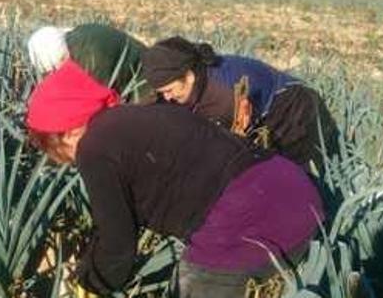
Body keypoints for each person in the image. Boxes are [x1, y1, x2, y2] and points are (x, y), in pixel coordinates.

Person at [25, 59, 324, 297]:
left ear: (65, 132)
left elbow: (118, 245)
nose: (60, 160)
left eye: (52, 149)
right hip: (297, 194)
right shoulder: (141, 115)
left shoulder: (94, 147)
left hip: (249, 218)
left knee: (195, 283)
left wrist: (89, 287)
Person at [141, 36, 339, 174]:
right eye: (162, 92)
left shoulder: (223, 99)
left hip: (297, 114)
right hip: (268, 109)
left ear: (189, 76)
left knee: (306, 181)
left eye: (169, 90)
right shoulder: (192, 77)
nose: (167, 97)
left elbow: (230, 151)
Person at [27, 23, 153, 103]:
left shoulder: (90, 59)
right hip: (134, 70)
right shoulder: (75, 36)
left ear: (62, 57)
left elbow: (101, 101)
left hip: (147, 80)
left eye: (55, 70)